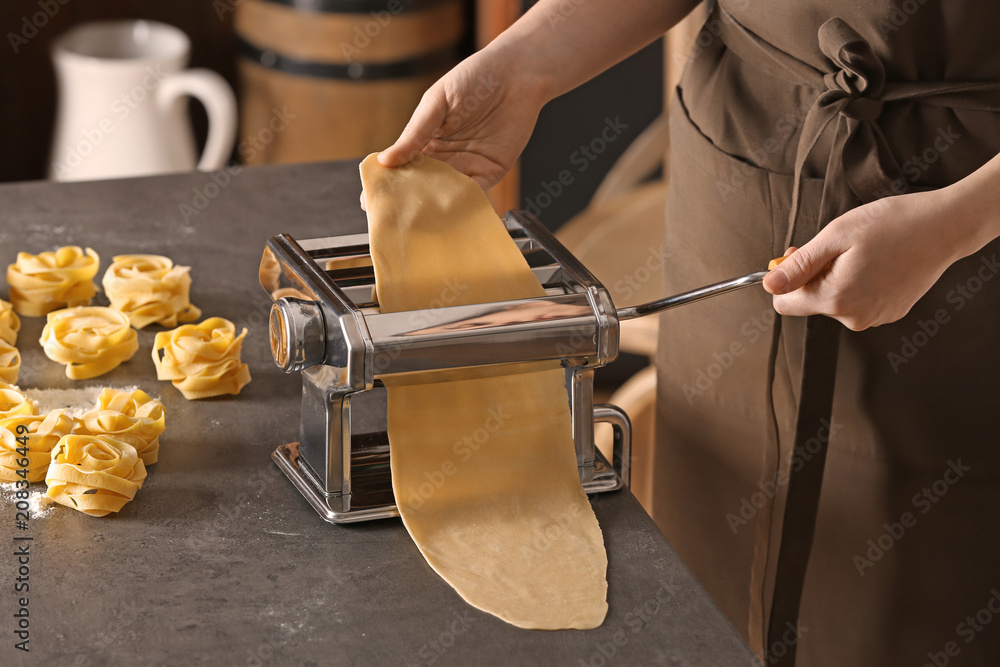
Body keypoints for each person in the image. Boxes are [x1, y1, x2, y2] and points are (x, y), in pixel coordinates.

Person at [364, 1, 1000, 665]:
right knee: (713, 568)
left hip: (967, 215)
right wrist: (528, 62)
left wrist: (958, 225)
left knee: (919, 598)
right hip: (747, 162)